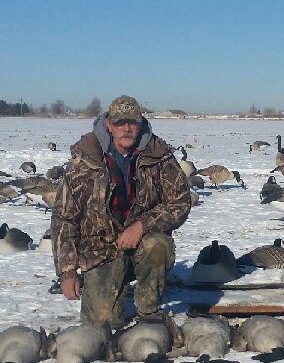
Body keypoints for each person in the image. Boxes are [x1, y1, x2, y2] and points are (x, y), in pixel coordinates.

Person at [52, 96, 192, 328]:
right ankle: (105, 281)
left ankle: (149, 310)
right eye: (120, 123)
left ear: (141, 123)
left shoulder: (158, 155)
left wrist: (142, 226)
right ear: (108, 124)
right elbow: (64, 217)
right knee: (102, 324)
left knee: (158, 244)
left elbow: (181, 201)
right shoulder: (85, 160)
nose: (126, 129)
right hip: (100, 248)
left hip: (142, 243)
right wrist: (66, 272)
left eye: (132, 123)